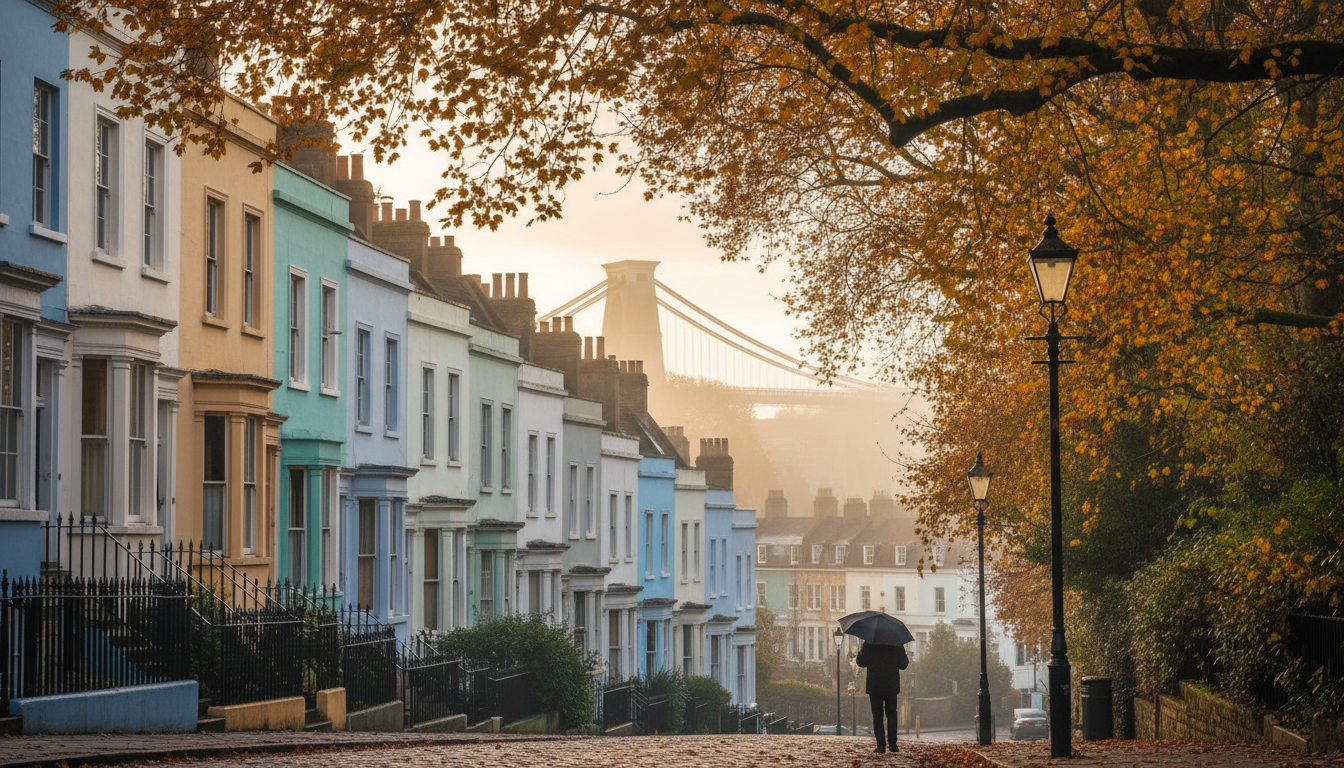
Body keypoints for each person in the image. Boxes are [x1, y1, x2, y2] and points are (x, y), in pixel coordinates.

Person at [855, 640, 909, 753]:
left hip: (875, 685)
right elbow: (904, 664)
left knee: (877, 716)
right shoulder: (895, 643)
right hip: (891, 684)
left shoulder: (870, 643)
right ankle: (893, 743)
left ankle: (881, 745)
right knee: (892, 714)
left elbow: (860, 662)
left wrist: (862, 648)